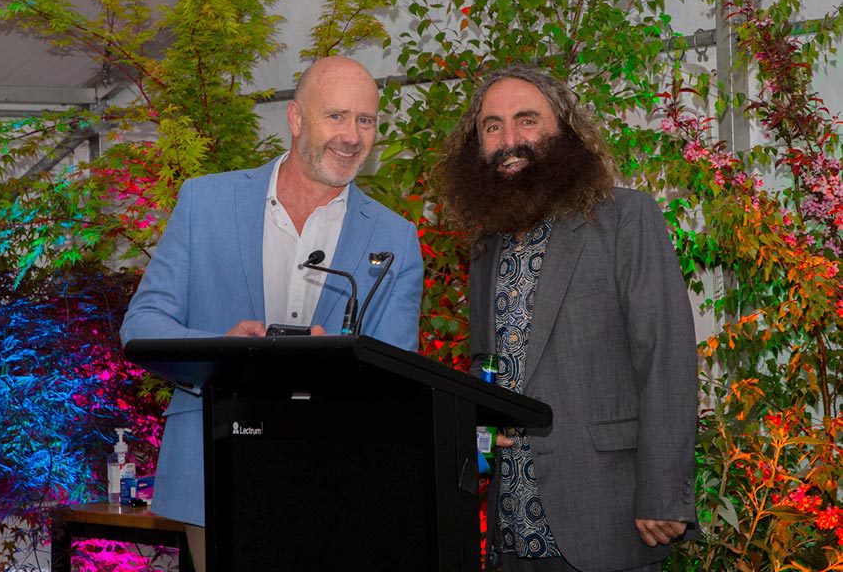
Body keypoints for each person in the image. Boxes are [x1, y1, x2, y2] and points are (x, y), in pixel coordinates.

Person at [120, 56, 423, 571]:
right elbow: (142, 325)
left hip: (338, 482)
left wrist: (336, 365)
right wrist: (224, 352)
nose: (352, 136)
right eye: (336, 116)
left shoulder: (395, 237)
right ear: (296, 118)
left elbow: (397, 376)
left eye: (366, 120)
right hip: (214, 471)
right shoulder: (205, 202)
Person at [433, 65, 698, 572]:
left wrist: (665, 493)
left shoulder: (625, 218)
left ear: (564, 131)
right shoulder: (486, 246)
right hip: (512, 524)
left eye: (527, 120)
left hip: (608, 517)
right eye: (492, 126)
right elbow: (485, 366)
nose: (510, 140)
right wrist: (479, 421)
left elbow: (666, 358)